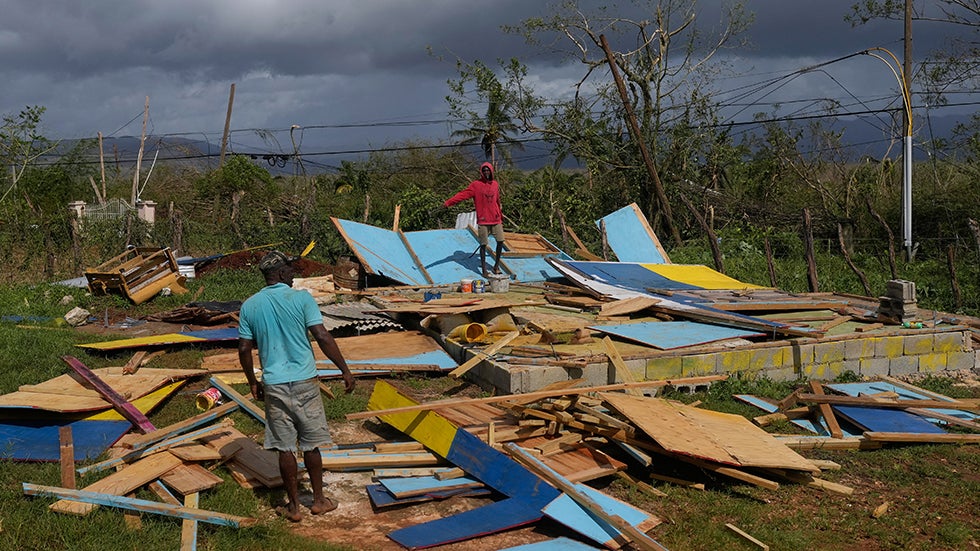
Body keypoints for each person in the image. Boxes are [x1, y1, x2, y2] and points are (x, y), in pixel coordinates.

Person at [238, 250, 356, 523]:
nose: (293, 274)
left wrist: (252, 381)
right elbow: (322, 335)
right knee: (312, 445)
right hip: (305, 381)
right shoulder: (302, 298)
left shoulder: (250, 306)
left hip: (275, 384)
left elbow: (244, 348)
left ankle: (293, 508)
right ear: (279, 273)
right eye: (289, 270)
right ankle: (318, 501)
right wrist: (345, 370)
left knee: (285, 447)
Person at [435, 162, 506, 277]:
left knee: (500, 241)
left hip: (496, 219)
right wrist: (447, 203)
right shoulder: (476, 185)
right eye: (484, 171)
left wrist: (500, 215)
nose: (486, 172)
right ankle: (484, 270)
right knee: (483, 244)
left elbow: (497, 201)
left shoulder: (495, 185)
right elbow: (461, 195)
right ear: (481, 172)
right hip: (483, 219)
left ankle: (496, 266)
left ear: (492, 171)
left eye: (488, 170)